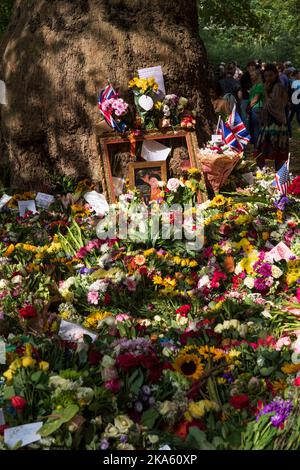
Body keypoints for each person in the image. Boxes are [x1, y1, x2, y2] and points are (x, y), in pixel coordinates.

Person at [255, 64, 289, 171]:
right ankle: (264, 173)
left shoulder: (278, 86)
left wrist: (265, 92)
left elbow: (274, 104)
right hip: (268, 123)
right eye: (266, 76)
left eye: (270, 76)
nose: (268, 78)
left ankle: (279, 177)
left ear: (276, 75)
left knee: (278, 153)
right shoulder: (270, 86)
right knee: (261, 151)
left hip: (276, 124)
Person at [248, 66, 264, 147]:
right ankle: (256, 146)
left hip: (257, 108)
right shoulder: (255, 85)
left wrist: (249, 108)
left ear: (257, 76)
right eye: (250, 76)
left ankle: (258, 146)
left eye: (252, 75)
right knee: (254, 128)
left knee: (257, 128)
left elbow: (255, 99)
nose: (251, 77)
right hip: (253, 108)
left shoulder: (260, 85)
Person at [240, 61, 257, 125]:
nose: (252, 68)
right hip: (246, 98)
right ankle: (246, 132)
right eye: (251, 66)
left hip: (255, 98)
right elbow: (245, 87)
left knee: (254, 118)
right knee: (245, 117)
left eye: (253, 66)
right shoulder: (244, 76)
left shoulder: (257, 76)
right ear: (248, 68)